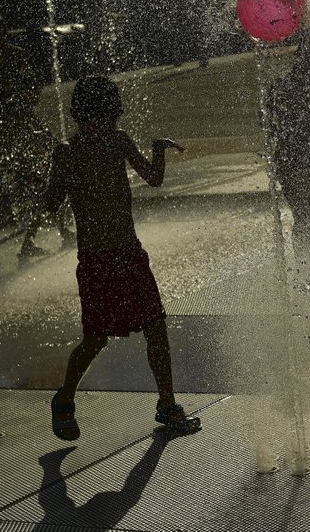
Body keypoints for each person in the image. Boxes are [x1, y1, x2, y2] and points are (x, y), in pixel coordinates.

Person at [44, 76, 200, 440]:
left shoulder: (118, 141)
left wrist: (157, 150)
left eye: (109, 119)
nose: (105, 127)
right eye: (99, 119)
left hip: (130, 254)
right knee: (96, 339)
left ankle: (167, 404)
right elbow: (51, 203)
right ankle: (64, 397)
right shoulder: (67, 152)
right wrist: (48, 179)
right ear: (83, 117)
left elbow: (153, 179)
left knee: (156, 327)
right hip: (97, 261)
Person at [0, 14, 73, 258]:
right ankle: (39, 235)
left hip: (20, 122)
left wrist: (23, 93)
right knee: (36, 177)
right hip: (9, 127)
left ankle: (47, 231)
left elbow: (31, 85)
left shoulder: (12, 55)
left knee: (44, 172)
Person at [267, 46, 310, 259]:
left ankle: (306, 261)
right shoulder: (299, 88)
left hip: (288, 159)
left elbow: (268, 125)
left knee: (304, 214)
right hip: (299, 159)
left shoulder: (279, 88)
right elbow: (309, 125)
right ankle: (309, 259)